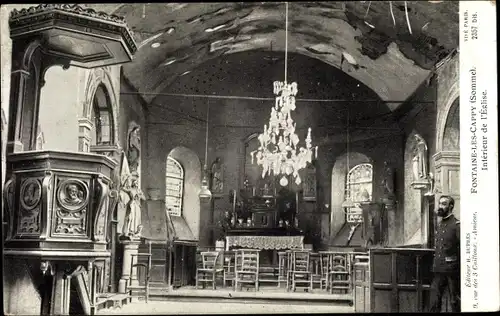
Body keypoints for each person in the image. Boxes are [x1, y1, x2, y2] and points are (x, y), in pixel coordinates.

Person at [429, 195, 460, 312]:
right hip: (438, 269)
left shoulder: (456, 225)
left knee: (454, 301)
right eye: (440, 203)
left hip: (451, 270)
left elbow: (462, 248)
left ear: (451, 206)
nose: (440, 206)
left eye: (444, 204)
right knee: (434, 300)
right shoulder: (440, 224)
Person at [121, 172, 146, 238]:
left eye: (137, 183)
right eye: (135, 183)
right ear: (133, 183)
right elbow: (123, 188)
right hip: (131, 204)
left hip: (137, 205)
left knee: (137, 218)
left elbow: (144, 198)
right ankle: (130, 231)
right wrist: (126, 179)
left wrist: (140, 195)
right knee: (131, 217)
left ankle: (135, 231)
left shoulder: (139, 191)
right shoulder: (130, 189)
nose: (136, 184)